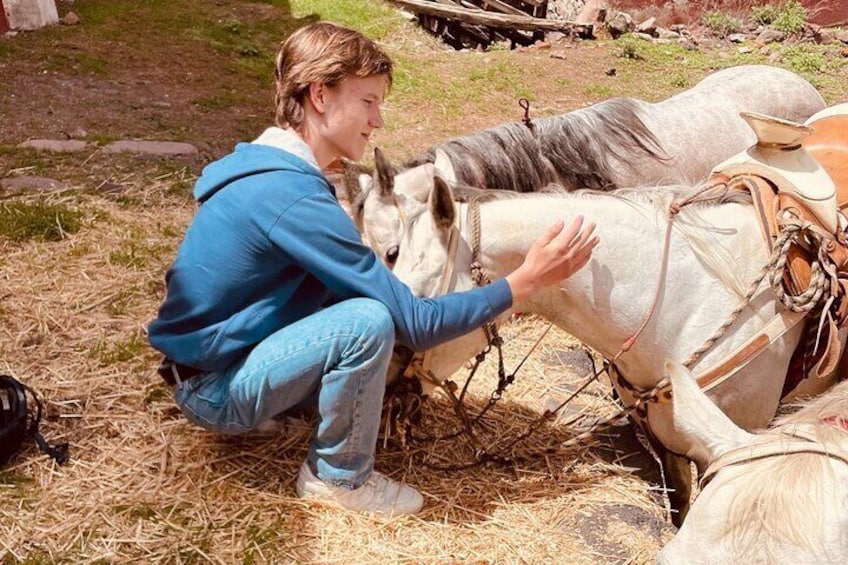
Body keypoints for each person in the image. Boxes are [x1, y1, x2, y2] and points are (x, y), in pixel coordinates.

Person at [147, 21, 598, 517]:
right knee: (367, 322)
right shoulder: (290, 196)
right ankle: (338, 478)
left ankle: (287, 412)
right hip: (213, 391)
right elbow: (415, 325)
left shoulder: (270, 171)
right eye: (367, 101)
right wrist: (524, 281)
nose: (378, 120)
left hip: (204, 367)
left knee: (354, 298)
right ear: (320, 96)